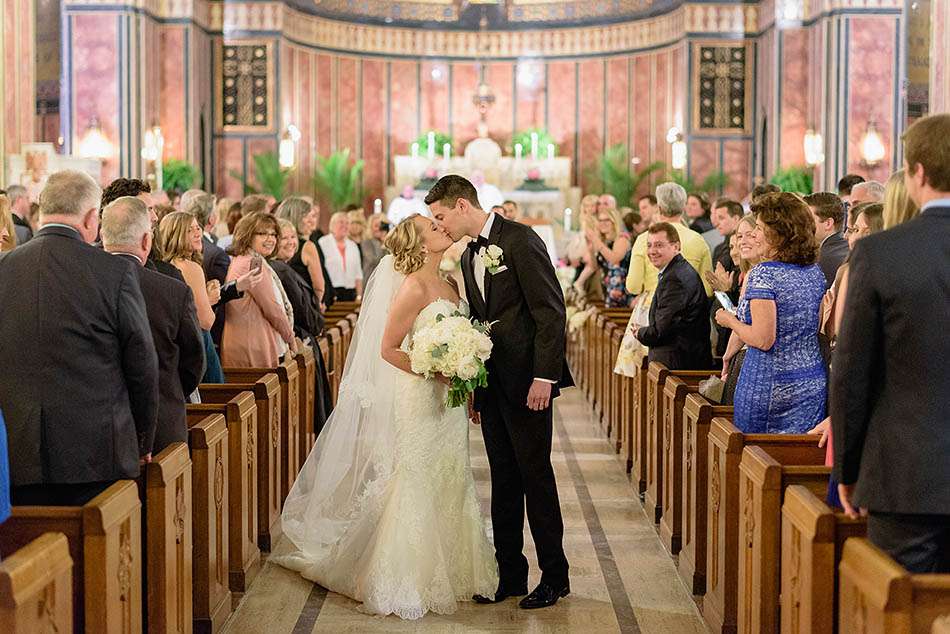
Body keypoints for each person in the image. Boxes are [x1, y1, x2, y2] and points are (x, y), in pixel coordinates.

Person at [274, 215, 498, 618]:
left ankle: (456, 568)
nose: (442, 228)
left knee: (451, 473)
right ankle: (405, 575)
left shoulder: (451, 283)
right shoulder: (412, 286)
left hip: (447, 400)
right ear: (420, 243)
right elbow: (389, 348)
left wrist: (464, 380)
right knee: (414, 475)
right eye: (433, 226)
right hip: (420, 394)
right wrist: (436, 369)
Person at [428, 175, 572, 610]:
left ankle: (555, 576)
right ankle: (510, 575)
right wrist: (473, 383)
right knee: (503, 481)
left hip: (529, 384)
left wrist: (544, 378)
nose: (440, 226)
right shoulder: (467, 253)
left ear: (461, 205)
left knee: (536, 478)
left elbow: (549, 312)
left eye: (440, 217)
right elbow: (480, 320)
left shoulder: (520, 240)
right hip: (492, 385)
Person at [831, 114, 950, 573]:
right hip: (906, 471)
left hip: (905, 474)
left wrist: (847, 465)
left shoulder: (882, 253)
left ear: (917, 172)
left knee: (898, 606)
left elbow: (852, 369)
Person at [0, 170, 158, 505]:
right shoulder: (114, 272)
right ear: (91, 218)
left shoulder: (4, 269)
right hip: (96, 455)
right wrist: (143, 440)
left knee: (30, 555)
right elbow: (141, 363)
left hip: (15, 454)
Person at [715, 192, 827, 434]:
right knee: (800, 460)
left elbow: (763, 340)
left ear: (780, 234)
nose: (754, 234)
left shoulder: (764, 274)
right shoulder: (814, 272)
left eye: (760, 228)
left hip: (768, 384)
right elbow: (814, 326)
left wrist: (729, 320)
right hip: (810, 381)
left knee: (756, 458)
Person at [101, 197, 205, 454]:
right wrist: (168, 387)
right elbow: (194, 361)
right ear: (147, 241)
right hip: (162, 423)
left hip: (102, 429)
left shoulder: (83, 286)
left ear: (102, 237)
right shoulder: (173, 291)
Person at [272, 219, 332, 435]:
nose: (290, 242)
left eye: (292, 237)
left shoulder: (283, 267)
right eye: (283, 238)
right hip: (299, 337)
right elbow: (302, 311)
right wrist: (317, 323)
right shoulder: (282, 270)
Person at [221, 213, 297, 368]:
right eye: (262, 234)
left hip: (243, 341)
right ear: (248, 234)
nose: (270, 239)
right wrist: (291, 338)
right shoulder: (252, 263)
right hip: (251, 344)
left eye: (273, 234)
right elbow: (273, 309)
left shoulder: (243, 258)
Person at [158, 211, 225, 383]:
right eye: (189, 230)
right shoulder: (189, 267)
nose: (198, 233)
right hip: (197, 342)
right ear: (176, 234)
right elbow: (206, 321)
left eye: (197, 228)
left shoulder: (162, 265)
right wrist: (209, 300)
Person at [635, 223, 711, 369]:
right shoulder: (677, 270)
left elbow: (661, 331)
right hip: (677, 358)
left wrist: (639, 332)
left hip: (676, 363)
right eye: (649, 245)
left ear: (676, 247)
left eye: (658, 245)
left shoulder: (674, 279)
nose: (652, 251)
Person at [719, 214, 766, 405]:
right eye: (739, 236)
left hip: (754, 360)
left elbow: (746, 326)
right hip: (743, 355)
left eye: (750, 235)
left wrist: (729, 320)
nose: (743, 241)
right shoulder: (749, 273)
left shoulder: (762, 274)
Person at [576, 205, 634, 307]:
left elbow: (614, 259)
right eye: (600, 220)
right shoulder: (605, 242)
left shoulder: (622, 238)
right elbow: (595, 267)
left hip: (621, 291)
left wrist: (596, 241)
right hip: (607, 291)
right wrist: (590, 250)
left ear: (614, 221)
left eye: (606, 220)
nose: (602, 223)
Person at [275, 197, 327, 307]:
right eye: (307, 217)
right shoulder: (307, 247)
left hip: (287, 307)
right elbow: (319, 287)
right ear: (296, 217)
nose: (312, 221)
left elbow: (319, 288)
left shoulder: (275, 242)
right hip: (295, 308)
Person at [805, 191, 849, 288]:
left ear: (828, 223)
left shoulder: (821, 260)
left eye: (807, 220)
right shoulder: (847, 247)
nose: (802, 225)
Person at [318, 211, 363, 301]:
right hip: (330, 292)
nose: (345, 226)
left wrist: (359, 296)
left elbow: (358, 275)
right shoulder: (322, 243)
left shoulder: (353, 246)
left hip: (350, 293)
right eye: (341, 222)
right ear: (332, 225)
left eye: (347, 223)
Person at [361, 213, 389, 281]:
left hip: (386, 279)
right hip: (371, 280)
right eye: (376, 226)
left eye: (381, 225)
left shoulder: (390, 243)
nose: (379, 229)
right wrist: (383, 245)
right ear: (370, 228)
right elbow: (374, 261)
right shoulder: (367, 243)